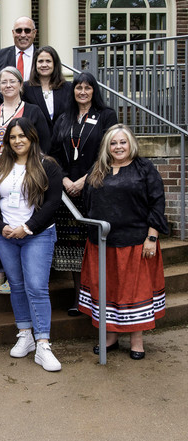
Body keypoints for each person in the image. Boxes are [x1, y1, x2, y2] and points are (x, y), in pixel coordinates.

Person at [79, 124, 169, 359]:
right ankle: (111, 336)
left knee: (133, 292)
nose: (118, 147)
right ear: (107, 147)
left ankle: (136, 340)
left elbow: (157, 203)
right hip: (103, 243)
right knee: (108, 290)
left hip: (136, 243)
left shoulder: (144, 168)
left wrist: (152, 236)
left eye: (123, 142)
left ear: (131, 144)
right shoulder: (99, 169)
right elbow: (87, 202)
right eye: (113, 143)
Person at [0, 118, 63, 372]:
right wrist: (0, 226)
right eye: (13, 137)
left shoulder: (47, 165)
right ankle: (25, 334)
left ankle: (43, 343)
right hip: (6, 236)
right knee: (16, 286)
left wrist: (27, 227)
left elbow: (53, 203)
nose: (18, 141)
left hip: (37, 235)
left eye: (23, 136)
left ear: (32, 138)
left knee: (37, 287)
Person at [50, 72, 118, 314]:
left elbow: (108, 153)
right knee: (73, 248)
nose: (82, 92)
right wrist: (66, 180)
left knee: (95, 245)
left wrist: (84, 180)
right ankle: (80, 300)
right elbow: (54, 153)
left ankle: (101, 300)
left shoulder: (106, 116)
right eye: (78, 87)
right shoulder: (63, 119)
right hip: (67, 192)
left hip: (95, 187)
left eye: (87, 88)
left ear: (94, 91)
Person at [0, 66, 50, 295]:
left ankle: (14, 277)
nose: (7, 85)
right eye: (3, 82)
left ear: (21, 85)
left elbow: (43, 144)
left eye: (12, 81)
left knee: (19, 219)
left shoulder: (32, 111)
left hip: (24, 174)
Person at [0, 16, 37, 109]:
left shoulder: (42, 58)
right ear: (13, 33)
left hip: (34, 113)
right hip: (4, 113)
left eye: (27, 31)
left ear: (34, 33)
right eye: (19, 31)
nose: (23, 35)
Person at [22, 46, 72, 132]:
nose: (44, 65)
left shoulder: (67, 87)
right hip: (37, 140)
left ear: (55, 64)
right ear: (35, 64)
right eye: (40, 61)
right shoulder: (26, 88)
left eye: (48, 61)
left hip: (62, 139)